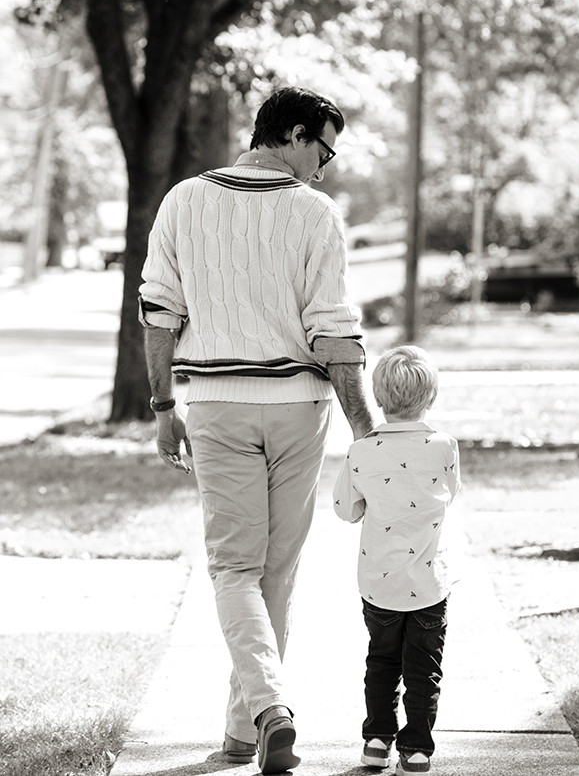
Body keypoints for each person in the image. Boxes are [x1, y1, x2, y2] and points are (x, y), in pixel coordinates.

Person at [139, 86, 374, 774]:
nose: (324, 168)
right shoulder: (314, 213)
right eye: (322, 150)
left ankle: (258, 718)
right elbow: (333, 331)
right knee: (274, 570)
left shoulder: (184, 199)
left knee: (234, 567)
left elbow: (159, 313)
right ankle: (257, 719)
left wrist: (163, 408)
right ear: (295, 134)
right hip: (300, 408)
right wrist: (366, 431)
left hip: (215, 405)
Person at [333, 345, 460, 775]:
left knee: (382, 662)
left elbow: (345, 509)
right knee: (424, 670)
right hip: (428, 584)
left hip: (380, 583)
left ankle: (376, 741)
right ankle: (418, 749)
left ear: (380, 401)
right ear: (432, 397)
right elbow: (449, 495)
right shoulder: (444, 447)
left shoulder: (362, 452)